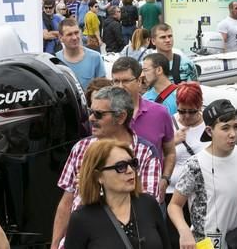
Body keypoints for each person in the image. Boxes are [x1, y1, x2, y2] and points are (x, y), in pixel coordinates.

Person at [51, 86, 162, 249]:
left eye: (98, 114)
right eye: (91, 111)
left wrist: (93, 183)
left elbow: (144, 205)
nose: (90, 118)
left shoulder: (145, 152)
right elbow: (66, 203)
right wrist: (55, 244)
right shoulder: (81, 147)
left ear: (121, 117)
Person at [168, 99, 237, 249]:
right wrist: (184, 231)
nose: (232, 134)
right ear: (209, 131)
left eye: (236, 127)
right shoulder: (195, 164)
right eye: (225, 128)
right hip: (205, 242)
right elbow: (174, 205)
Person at [64, 139, 171, 248]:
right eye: (121, 166)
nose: (130, 170)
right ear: (98, 176)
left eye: (132, 163)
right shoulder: (82, 218)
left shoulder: (148, 204)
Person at [111, 57, 176, 188]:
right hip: (116, 193)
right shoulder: (106, 116)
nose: (120, 87)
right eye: (116, 81)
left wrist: (165, 179)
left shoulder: (160, 113)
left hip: (152, 193)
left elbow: (170, 152)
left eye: (125, 81)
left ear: (139, 81)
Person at [166, 82, 209, 248]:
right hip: (172, 193)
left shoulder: (209, 125)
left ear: (199, 106)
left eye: (192, 111)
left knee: (202, 242)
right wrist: (172, 142)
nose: (186, 116)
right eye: (181, 111)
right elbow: (154, 158)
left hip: (200, 196)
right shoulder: (170, 123)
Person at [56, 18, 105, 90]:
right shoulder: (55, 60)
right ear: (60, 38)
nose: (74, 37)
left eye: (76, 33)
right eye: (69, 34)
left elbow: (103, 89)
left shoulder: (95, 57)